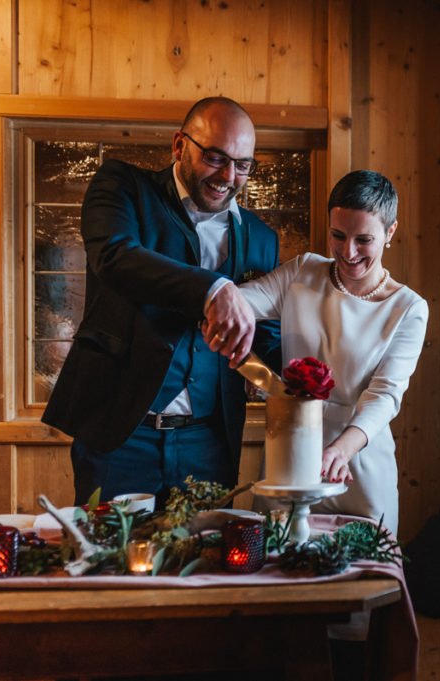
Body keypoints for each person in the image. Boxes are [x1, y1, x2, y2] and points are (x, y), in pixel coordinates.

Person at [42, 96, 281, 505]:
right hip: (121, 436)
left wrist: (304, 381)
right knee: (111, 563)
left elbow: (262, 340)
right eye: (215, 157)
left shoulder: (262, 238)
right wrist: (214, 289)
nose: (228, 175)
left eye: (243, 164)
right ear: (178, 145)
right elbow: (115, 257)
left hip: (207, 442)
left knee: (201, 563)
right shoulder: (122, 188)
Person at [225, 170, 428, 535]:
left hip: (360, 466)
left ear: (390, 232)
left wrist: (340, 450)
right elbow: (238, 302)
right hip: (289, 458)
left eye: (363, 239)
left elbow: (385, 394)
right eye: (338, 235)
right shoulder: (302, 272)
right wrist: (216, 310)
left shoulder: (408, 308)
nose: (348, 252)